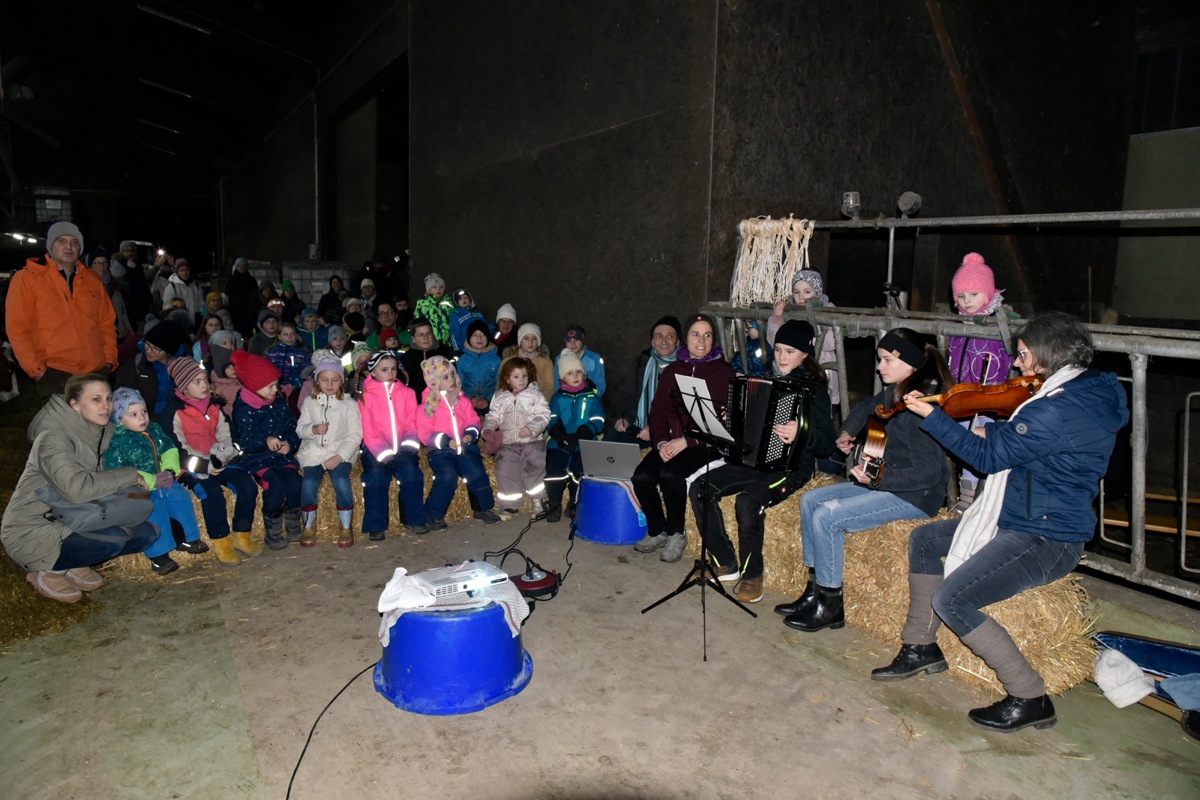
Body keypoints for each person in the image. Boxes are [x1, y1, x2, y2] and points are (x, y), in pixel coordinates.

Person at [871, 312, 1128, 732]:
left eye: (1023, 355)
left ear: (1047, 357)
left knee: (952, 598)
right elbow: (1033, 449)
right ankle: (921, 648)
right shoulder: (1087, 390)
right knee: (926, 539)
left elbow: (987, 459)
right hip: (1022, 514)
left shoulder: (1055, 410)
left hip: (1045, 535)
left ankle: (1029, 696)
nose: (1015, 365)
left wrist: (932, 417)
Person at [779, 327, 951, 632]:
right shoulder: (896, 392)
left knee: (827, 518)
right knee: (811, 500)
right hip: (889, 484)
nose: (879, 366)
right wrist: (847, 432)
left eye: (886, 360)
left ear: (910, 364)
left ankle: (831, 603)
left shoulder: (922, 406)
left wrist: (879, 478)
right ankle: (814, 588)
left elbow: (931, 473)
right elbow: (865, 407)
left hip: (915, 496)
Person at [688, 320, 836, 603]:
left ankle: (752, 574)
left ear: (805, 353)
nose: (781, 357)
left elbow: (827, 443)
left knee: (748, 501)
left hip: (790, 468)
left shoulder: (814, 391)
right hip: (750, 461)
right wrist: (729, 420)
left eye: (789, 351)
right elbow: (746, 425)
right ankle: (725, 562)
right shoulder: (764, 378)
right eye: (778, 350)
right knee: (700, 487)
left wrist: (801, 433)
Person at [1, 374, 161, 603]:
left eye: (108, 398)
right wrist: (128, 475)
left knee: (146, 533)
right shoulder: (52, 439)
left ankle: (72, 563)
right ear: (75, 405)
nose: (105, 406)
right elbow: (76, 489)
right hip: (33, 528)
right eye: (96, 399)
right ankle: (47, 570)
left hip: (76, 516)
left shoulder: (100, 434)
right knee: (112, 539)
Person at [632, 314, 736, 563]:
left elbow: (724, 422)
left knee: (670, 475)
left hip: (705, 444)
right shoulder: (673, 371)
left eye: (707, 335)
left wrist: (686, 442)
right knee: (641, 476)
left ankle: (677, 532)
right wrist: (660, 443)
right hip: (671, 441)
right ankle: (658, 530)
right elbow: (657, 411)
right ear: (686, 339)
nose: (701, 340)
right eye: (695, 334)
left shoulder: (724, 372)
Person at [164, 357, 260, 566]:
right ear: (183, 387)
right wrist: (205, 466)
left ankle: (242, 535)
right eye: (196, 382)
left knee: (247, 486)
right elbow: (177, 449)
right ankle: (222, 542)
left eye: (205, 380)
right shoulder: (175, 413)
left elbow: (228, 435)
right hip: (192, 467)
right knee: (212, 494)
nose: (204, 386)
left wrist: (225, 454)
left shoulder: (215, 407)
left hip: (219, 460)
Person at [6, 222, 119, 399]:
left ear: (80, 247)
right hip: (54, 373)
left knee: (96, 426)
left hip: (96, 370)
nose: (69, 246)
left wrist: (109, 361)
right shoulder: (27, 279)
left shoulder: (92, 279)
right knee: (61, 426)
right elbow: (17, 328)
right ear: (51, 245)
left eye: (74, 242)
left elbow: (107, 323)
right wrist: (36, 370)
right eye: (61, 241)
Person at [103, 388, 209, 575]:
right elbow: (121, 472)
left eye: (144, 411)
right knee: (153, 505)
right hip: (134, 489)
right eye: (133, 414)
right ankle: (159, 556)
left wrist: (169, 471)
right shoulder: (117, 440)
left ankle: (187, 538)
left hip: (161, 479)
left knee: (179, 494)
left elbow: (169, 448)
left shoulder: (154, 429)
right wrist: (152, 481)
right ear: (119, 417)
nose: (142, 417)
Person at [946, 252, 1014, 512]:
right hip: (960, 394)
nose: (967, 301)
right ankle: (963, 494)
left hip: (987, 397)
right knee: (959, 440)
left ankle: (973, 496)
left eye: (973, 294)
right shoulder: (955, 323)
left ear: (987, 293)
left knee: (977, 443)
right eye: (961, 296)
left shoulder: (999, 323)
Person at [416, 356, 501, 526]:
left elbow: (473, 420)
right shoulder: (428, 406)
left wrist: (470, 434)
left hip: (465, 448)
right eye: (445, 377)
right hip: (441, 451)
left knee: (477, 472)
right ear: (434, 382)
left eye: (453, 375)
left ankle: (482, 508)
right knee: (447, 476)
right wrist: (445, 441)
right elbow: (424, 433)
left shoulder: (463, 401)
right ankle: (433, 514)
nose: (452, 380)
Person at [230, 351, 302, 550]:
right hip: (257, 459)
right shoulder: (243, 408)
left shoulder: (278, 402)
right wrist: (265, 440)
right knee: (275, 485)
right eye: (270, 386)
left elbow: (292, 426)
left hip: (280, 456)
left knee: (295, 482)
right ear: (254, 386)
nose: (274, 389)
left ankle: (294, 523)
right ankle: (273, 530)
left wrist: (289, 442)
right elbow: (245, 440)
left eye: (275, 384)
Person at [359, 350, 430, 538]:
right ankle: (376, 525)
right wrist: (383, 454)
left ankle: (414, 518)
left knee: (412, 474)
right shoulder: (365, 396)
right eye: (384, 370)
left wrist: (408, 447)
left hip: (402, 446)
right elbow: (369, 429)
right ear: (372, 372)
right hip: (375, 450)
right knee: (375, 477)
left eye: (393, 369)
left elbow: (411, 422)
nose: (390, 374)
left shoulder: (407, 393)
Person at [297, 352, 363, 548]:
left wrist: (340, 456)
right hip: (314, 452)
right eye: (324, 379)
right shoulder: (309, 402)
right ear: (317, 380)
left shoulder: (349, 405)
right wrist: (313, 430)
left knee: (341, 481)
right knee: (309, 482)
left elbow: (354, 435)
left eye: (335, 379)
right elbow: (300, 429)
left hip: (339, 452)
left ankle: (345, 525)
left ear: (341, 382)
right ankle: (308, 524)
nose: (330, 384)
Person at [481, 356, 551, 519]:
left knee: (534, 466)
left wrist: (532, 428)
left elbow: (544, 415)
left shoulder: (535, 395)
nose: (521, 380)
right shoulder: (500, 396)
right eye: (516, 377)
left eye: (524, 376)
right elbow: (493, 416)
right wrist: (488, 428)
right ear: (507, 378)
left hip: (532, 442)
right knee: (505, 469)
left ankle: (538, 501)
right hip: (508, 443)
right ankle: (510, 504)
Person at [544, 348, 605, 523]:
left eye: (579, 372)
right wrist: (559, 435)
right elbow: (552, 418)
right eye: (570, 373)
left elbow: (599, 419)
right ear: (563, 378)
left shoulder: (592, 397)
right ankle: (554, 503)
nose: (576, 375)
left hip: (584, 441)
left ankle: (574, 503)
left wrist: (584, 432)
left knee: (580, 470)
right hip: (560, 441)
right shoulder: (557, 398)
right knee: (553, 468)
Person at [607, 315, 681, 444]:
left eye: (670, 336)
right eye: (658, 336)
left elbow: (680, 409)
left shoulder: (684, 366)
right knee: (609, 443)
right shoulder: (642, 362)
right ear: (652, 341)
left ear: (678, 341)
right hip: (637, 424)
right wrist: (623, 417)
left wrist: (655, 427)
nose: (664, 341)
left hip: (667, 430)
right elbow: (626, 393)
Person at [112, 320, 187, 422]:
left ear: (169, 352)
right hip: (143, 423)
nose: (149, 351)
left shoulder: (183, 368)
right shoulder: (136, 365)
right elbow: (123, 399)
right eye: (147, 344)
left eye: (156, 349)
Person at [87, 250, 136, 343]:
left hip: (116, 333)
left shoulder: (115, 286)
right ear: (91, 265)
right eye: (97, 263)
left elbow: (123, 312)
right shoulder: (85, 286)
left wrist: (130, 331)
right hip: (94, 336)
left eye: (104, 263)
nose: (101, 266)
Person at [400, 318, 455, 398]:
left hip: (445, 401)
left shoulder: (445, 353)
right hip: (417, 403)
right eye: (421, 335)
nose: (425, 338)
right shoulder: (406, 359)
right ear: (413, 339)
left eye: (428, 334)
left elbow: (455, 379)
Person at [457, 320, 502, 417]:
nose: (479, 338)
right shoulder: (462, 361)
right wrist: (469, 399)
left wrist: (488, 400)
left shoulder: (496, 361)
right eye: (474, 335)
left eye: (483, 334)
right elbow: (457, 387)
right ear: (469, 338)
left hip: (490, 402)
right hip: (467, 402)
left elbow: (500, 386)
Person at [503, 323, 555, 402]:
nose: (530, 342)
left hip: (537, 403)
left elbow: (549, 386)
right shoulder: (508, 361)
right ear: (520, 341)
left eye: (534, 338)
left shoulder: (546, 362)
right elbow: (502, 384)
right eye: (526, 338)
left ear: (538, 342)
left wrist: (539, 401)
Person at [554, 324, 606, 398]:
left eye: (576, 339)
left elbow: (600, 385)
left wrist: (591, 398)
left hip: (590, 400)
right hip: (567, 400)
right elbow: (557, 384)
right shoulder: (559, 359)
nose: (573, 344)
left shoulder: (595, 358)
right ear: (565, 343)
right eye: (569, 341)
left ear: (583, 340)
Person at [414, 272, 455, 346]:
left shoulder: (449, 302)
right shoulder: (423, 302)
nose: (438, 290)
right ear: (429, 290)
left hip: (448, 341)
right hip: (430, 341)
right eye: (434, 287)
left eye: (441, 287)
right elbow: (418, 321)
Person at [227, 257, 261, 338]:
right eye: (239, 266)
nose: (241, 268)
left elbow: (255, 294)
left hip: (248, 310)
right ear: (236, 267)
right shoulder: (232, 280)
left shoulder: (251, 280)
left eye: (244, 266)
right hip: (235, 310)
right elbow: (227, 293)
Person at [161, 257, 204, 322]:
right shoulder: (172, 287)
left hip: (195, 320)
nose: (184, 273)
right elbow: (167, 305)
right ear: (177, 272)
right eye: (181, 270)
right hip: (179, 320)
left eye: (186, 270)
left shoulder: (196, 286)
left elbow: (200, 303)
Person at [449, 287, 490, 352]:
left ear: (470, 300)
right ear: (456, 302)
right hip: (467, 348)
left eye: (466, 297)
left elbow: (487, 327)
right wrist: (458, 351)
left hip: (482, 345)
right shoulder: (456, 316)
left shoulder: (478, 313)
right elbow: (455, 334)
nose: (464, 299)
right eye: (460, 298)